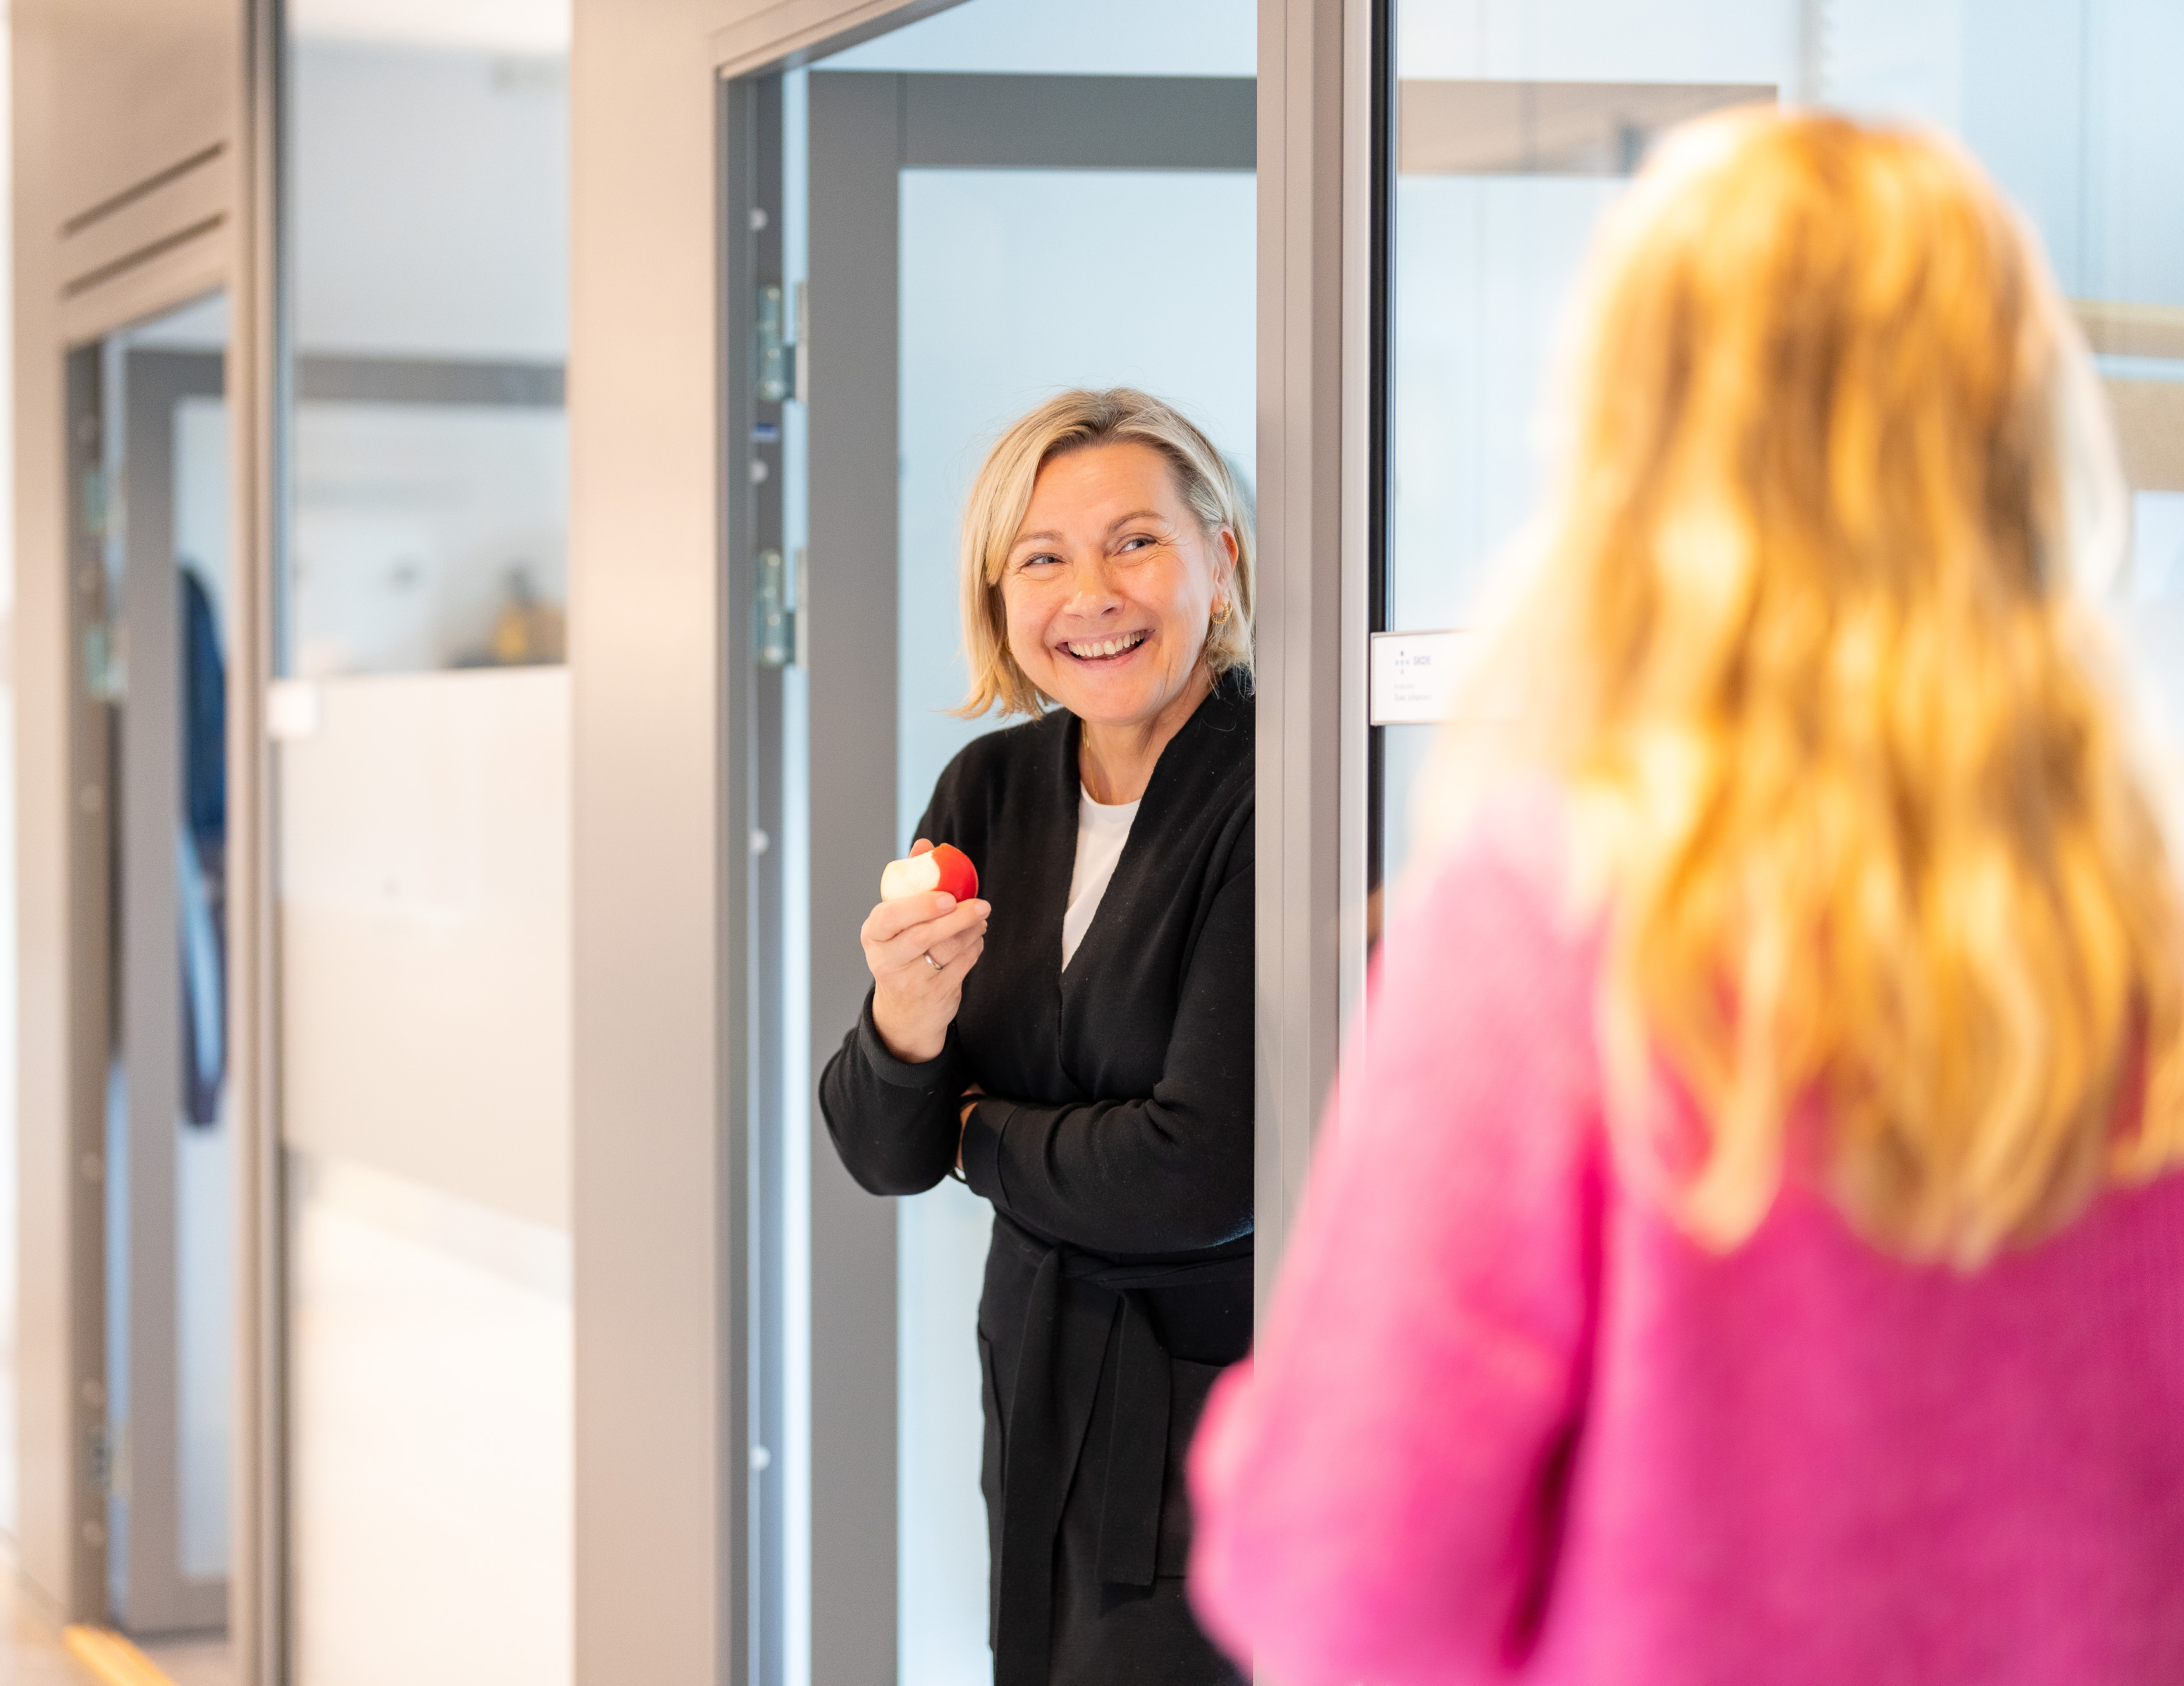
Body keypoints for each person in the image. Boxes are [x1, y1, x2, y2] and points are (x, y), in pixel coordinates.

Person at [1187, 108, 2184, 1684]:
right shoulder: (2139, 945)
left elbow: (1345, 1575)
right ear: (2013, 443)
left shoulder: (1556, 916)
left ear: (1630, 445)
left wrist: (1275, 1442)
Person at [820, 388, 1256, 1686]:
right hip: (1036, 1376)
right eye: (1042, 556)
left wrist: (976, 1128)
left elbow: (1199, 1167)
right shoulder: (991, 791)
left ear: (1218, 558)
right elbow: (882, 1150)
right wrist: (905, 1020)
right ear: (998, 592)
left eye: (1134, 540)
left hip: (1223, 1398)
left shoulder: (1276, 789)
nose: (1090, 593)